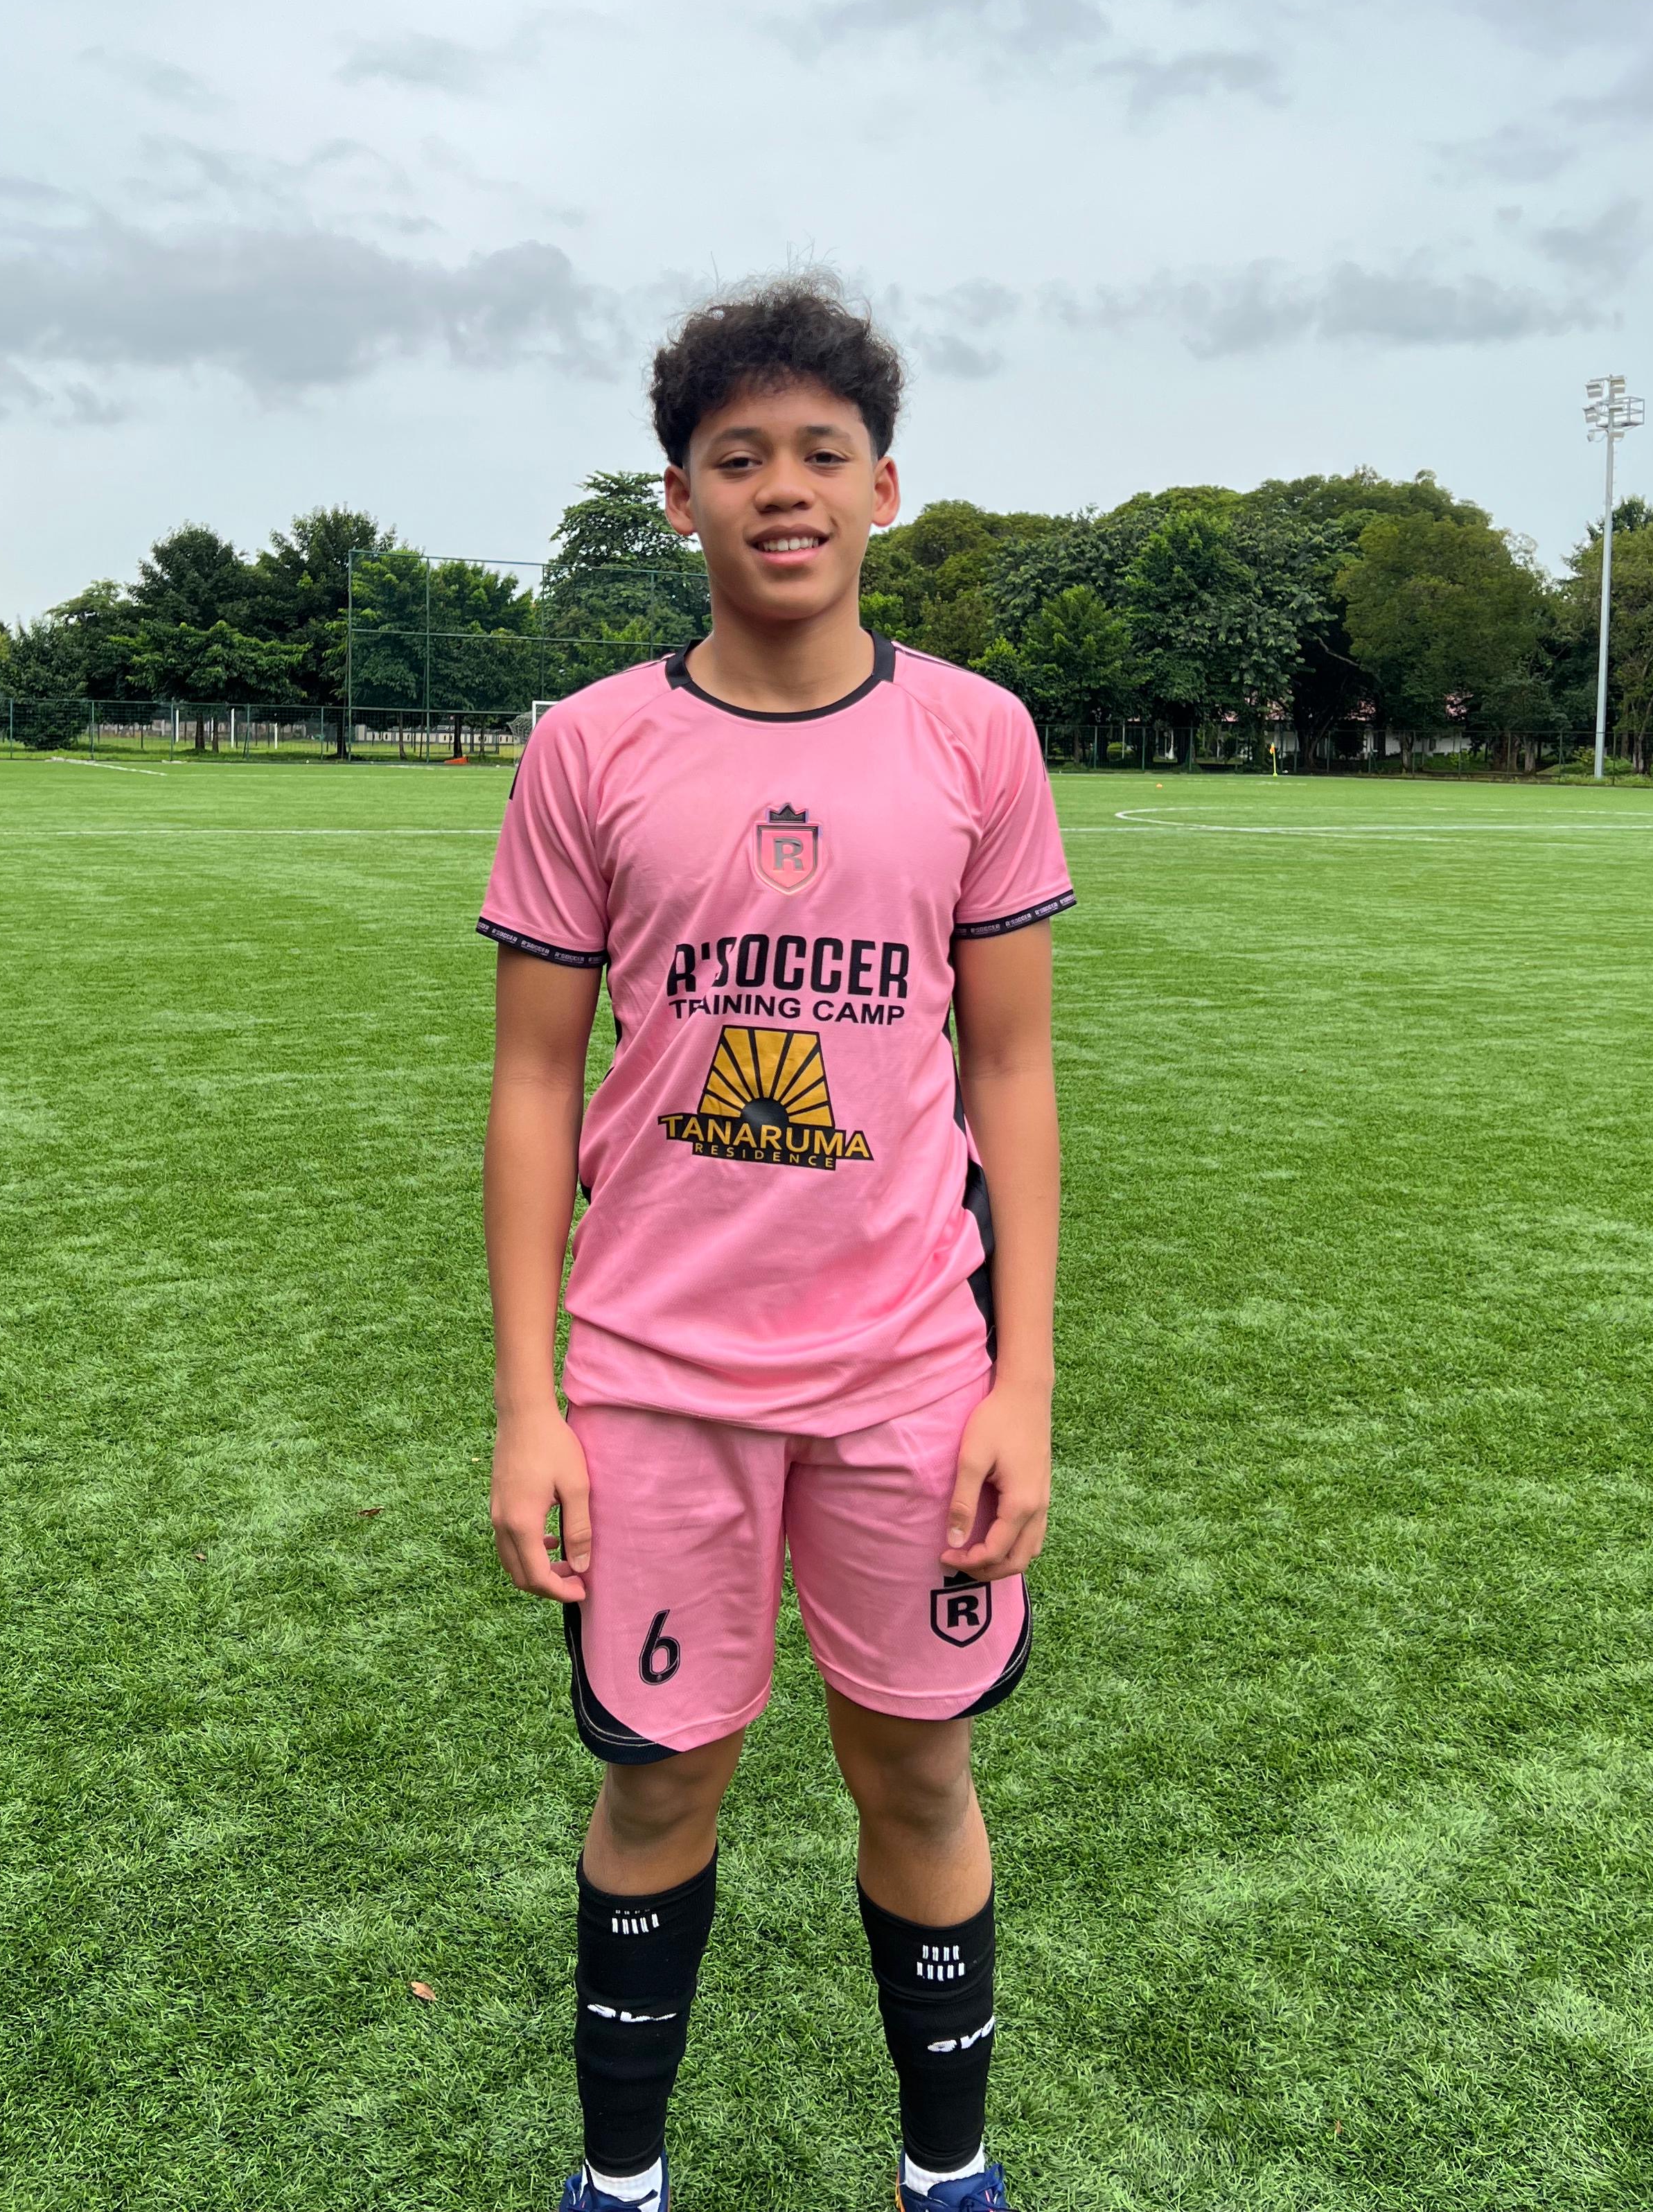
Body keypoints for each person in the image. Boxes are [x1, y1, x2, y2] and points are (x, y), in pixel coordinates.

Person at [479, 279, 1072, 2212]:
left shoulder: (977, 738)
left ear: (885, 488)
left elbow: (1013, 1072)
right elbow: (533, 1084)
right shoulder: (590, 745)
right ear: (682, 499)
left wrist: (1024, 1386)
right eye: (739, 458)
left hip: (911, 1373)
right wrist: (531, 1404)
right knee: (659, 1778)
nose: (784, 489)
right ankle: (621, 2185)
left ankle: (947, 2175)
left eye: (824, 453)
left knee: (921, 1772)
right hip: (656, 1377)